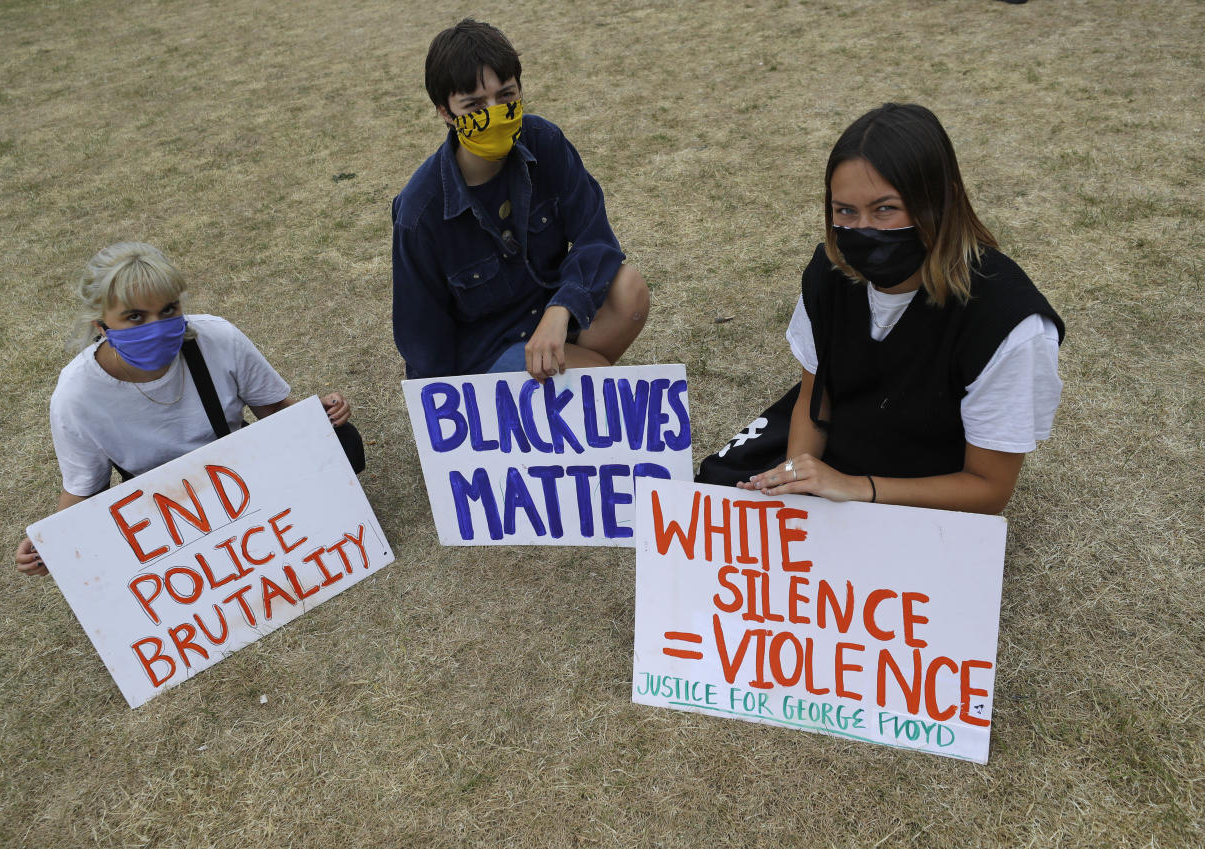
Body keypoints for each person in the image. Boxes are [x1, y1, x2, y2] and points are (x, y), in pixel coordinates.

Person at [721, 103, 1064, 515]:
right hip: (841, 452)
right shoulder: (829, 275)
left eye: (885, 209)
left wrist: (853, 487)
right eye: (845, 211)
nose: (864, 230)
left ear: (943, 202)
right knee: (716, 492)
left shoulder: (1007, 322)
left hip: (927, 484)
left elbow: (988, 490)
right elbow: (815, 403)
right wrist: (798, 481)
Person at [14, 242, 360, 576]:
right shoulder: (77, 395)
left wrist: (320, 417)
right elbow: (85, 488)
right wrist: (51, 543)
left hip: (242, 478)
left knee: (343, 442)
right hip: (162, 514)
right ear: (100, 325)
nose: (157, 326)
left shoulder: (217, 339)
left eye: (168, 310)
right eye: (135, 317)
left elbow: (276, 411)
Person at [391, 18, 648, 381]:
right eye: (474, 105)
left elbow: (597, 239)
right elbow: (422, 336)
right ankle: (544, 399)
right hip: (486, 353)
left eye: (506, 96)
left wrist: (560, 309)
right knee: (597, 376)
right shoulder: (419, 213)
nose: (494, 113)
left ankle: (558, 399)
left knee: (628, 290)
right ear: (445, 113)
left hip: (550, 318)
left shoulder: (544, 140)